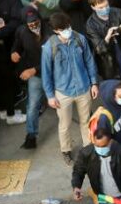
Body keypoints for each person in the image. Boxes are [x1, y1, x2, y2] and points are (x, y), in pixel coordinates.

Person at [41, 11, 99, 166]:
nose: (67, 30)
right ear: (55, 30)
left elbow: (89, 61)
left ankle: (89, 148)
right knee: (64, 124)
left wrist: (94, 83)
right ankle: (66, 150)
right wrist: (50, 96)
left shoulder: (80, 39)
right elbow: (46, 73)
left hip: (83, 87)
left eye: (68, 26)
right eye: (63, 29)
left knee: (86, 121)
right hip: (62, 92)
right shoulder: (49, 47)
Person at [84, 0, 121, 120]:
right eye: (101, 7)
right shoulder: (91, 25)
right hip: (110, 68)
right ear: (93, 7)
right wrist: (107, 38)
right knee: (116, 97)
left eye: (106, 5)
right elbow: (99, 49)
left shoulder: (119, 13)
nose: (105, 9)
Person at [11, 7, 45, 150]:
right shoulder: (21, 31)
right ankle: (31, 136)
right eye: (30, 24)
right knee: (32, 106)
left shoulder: (50, 29)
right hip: (36, 76)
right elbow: (16, 46)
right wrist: (14, 52)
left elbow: (55, 58)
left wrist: (33, 69)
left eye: (36, 22)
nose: (34, 26)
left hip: (56, 73)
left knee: (70, 99)